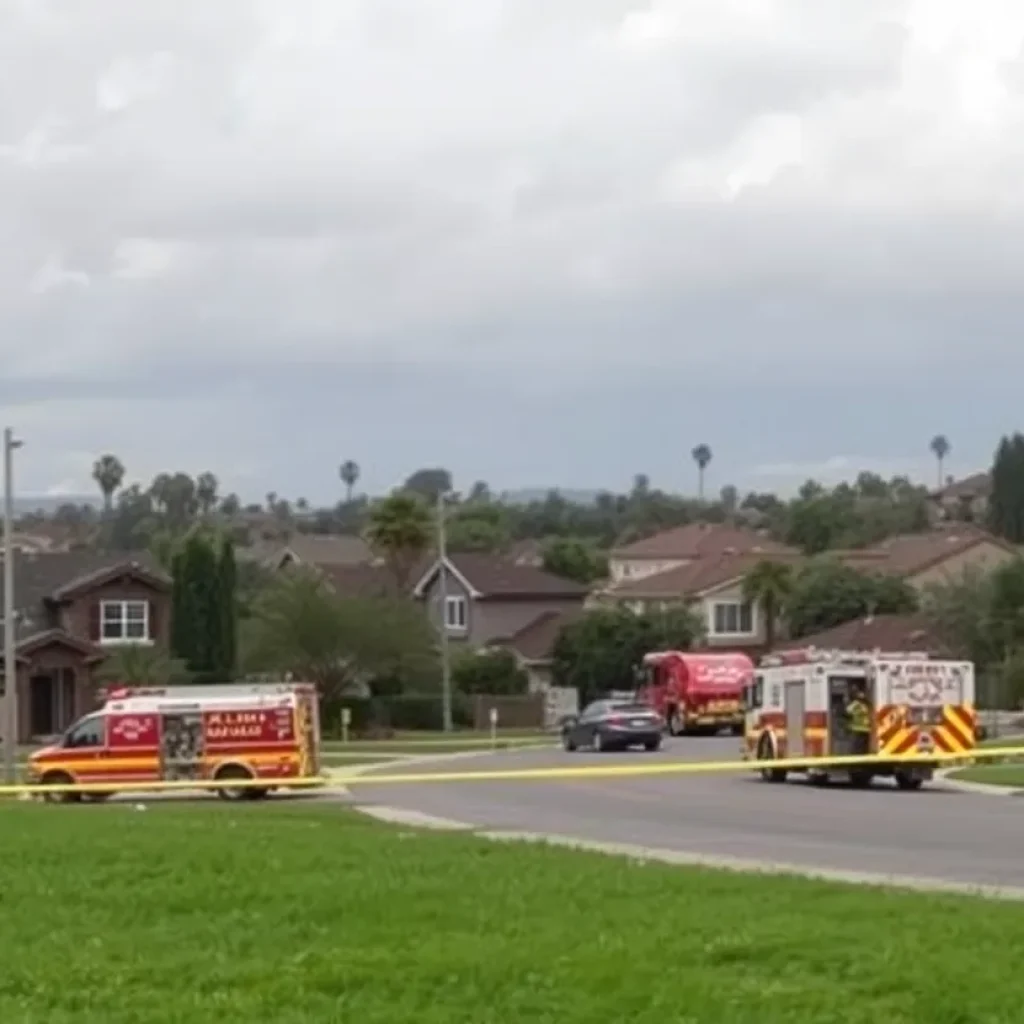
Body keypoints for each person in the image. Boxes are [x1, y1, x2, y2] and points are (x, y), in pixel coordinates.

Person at [845, 685, 871, 756]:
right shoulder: (859, 704)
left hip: (862, 729)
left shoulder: (862, 704)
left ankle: (860, 755)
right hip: (860, 728)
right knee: (859, 746)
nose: (862, 695)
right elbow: (848, 711)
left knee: (861, 746)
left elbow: (848, 711)